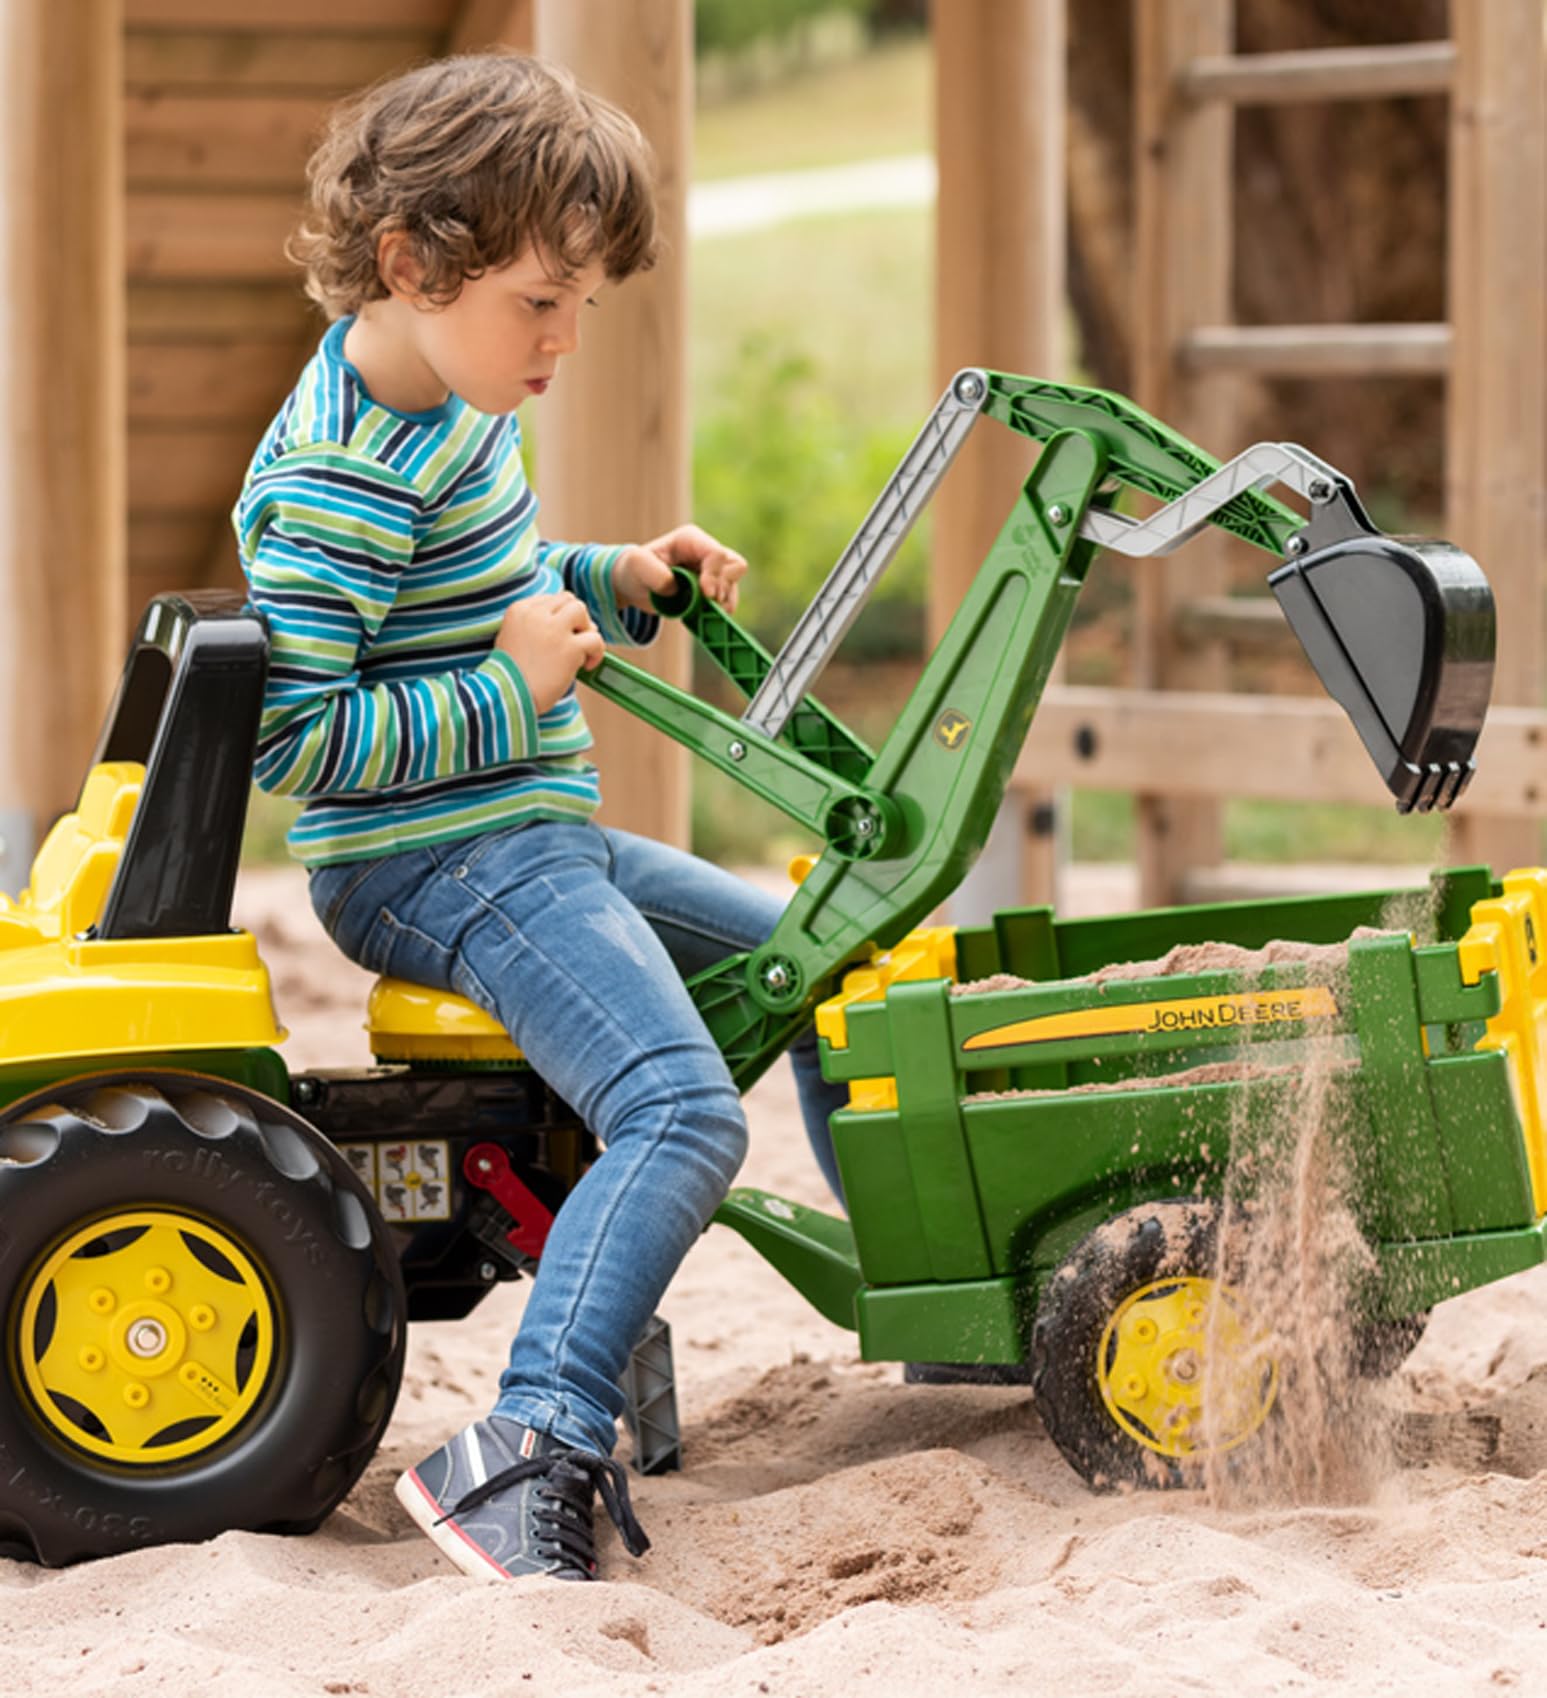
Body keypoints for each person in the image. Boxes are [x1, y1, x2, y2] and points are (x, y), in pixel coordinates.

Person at [234, 51, 845, 1585]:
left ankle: (923, 1309)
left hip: (528, 835)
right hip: (429, 860)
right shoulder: (337, 478)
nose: (566, 338)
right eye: (541, 302)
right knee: (682, 1109)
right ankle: (531, 1441)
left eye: (581, 303)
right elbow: (296, 741)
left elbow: (480, 589)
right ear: (410, 263)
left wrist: (607, 579)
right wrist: (511, 693)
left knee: (823, 956)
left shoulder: (452, 394)